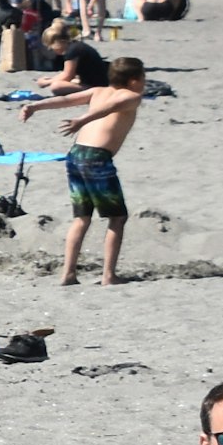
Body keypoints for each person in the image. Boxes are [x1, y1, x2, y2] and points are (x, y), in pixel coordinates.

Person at [20, 53, 145, 284]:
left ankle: (68, 273)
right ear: (135, 79)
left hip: (75, 155)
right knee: (117, 218)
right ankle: (109, 275)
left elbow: (68, 100)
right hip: (97, 158)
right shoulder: (132, 96)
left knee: (81, 218)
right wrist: (83, 120)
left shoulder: (98, 91)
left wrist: (36, 106)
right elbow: (112, 106)